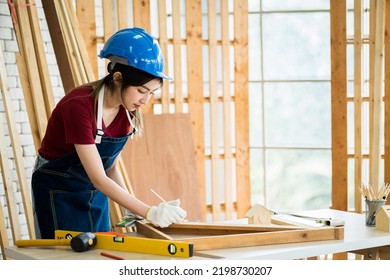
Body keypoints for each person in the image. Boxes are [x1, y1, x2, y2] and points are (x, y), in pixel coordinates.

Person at [31, 27, 187, 239]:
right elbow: (98, 178)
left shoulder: (128, 112)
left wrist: (132, 209)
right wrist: (149, 211)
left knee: (99, 255)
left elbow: (110, 168)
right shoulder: (79, 107)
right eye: (141, 91)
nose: (145, 100)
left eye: (151, 92)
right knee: (64, 261)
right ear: (118, 77)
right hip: (57, 190)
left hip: (95, 193)